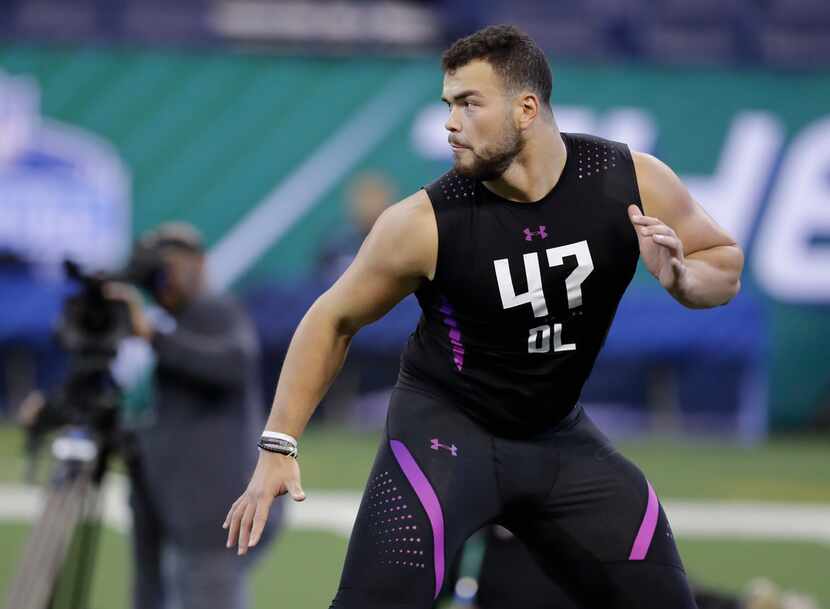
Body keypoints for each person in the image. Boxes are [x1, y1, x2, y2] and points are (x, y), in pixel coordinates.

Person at [223, 25, 743, 609]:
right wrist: (278, 445)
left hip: (558, 437)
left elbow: (720, 261)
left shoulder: (627, 179)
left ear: (526, 108)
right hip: (446, 435)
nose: (451, 122)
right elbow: (332, 318)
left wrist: (680, 278)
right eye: (448, 104)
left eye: (469, 104)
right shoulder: (423, 222)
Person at [107, 222, 279, 609]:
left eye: (176, 263)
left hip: (214, 513)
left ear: (200, 264)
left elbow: (232, 366)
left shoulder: (214, 310)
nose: (169, 276)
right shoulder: (176, 319)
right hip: (184, 509)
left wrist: (152, 335)